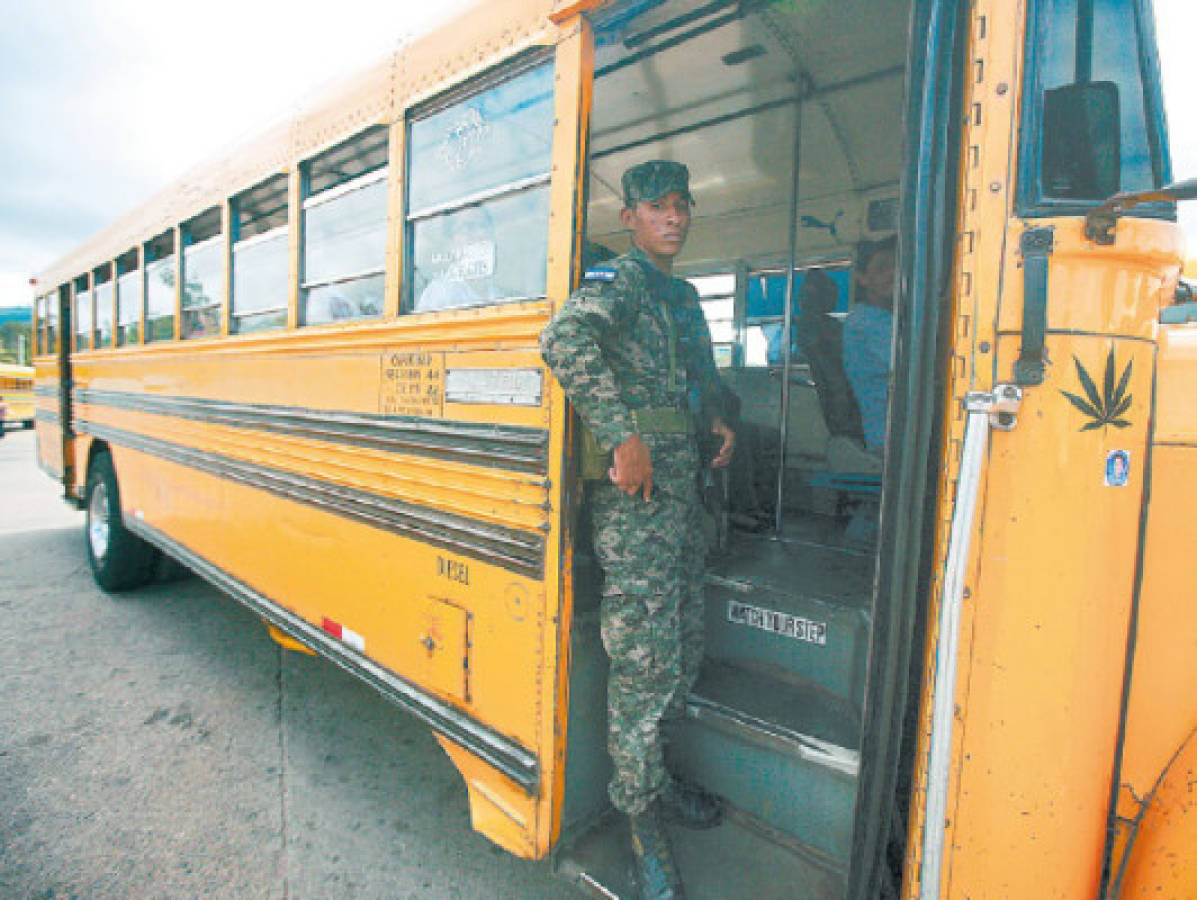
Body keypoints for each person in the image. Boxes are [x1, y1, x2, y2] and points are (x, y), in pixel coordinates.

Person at [540, 160, 734, 900]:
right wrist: (620, 434)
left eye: (682, 206)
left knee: (681, 648)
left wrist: (716, 420)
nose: (673, 219)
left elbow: (696, 378)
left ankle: (657, 780)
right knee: (642, 664)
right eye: (657, 207)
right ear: (630, 218)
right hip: (638, 506)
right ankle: (640, 825)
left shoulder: (681, 297)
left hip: (685, 499)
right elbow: (561, 342)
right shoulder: (616, 284)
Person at [843, 237, 897, 458]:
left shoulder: (886, 318)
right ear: (863, 278)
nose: (893, 273)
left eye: (898, 265)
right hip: (887, 435)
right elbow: (920, 368)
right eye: (883, 268)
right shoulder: (867, 320)